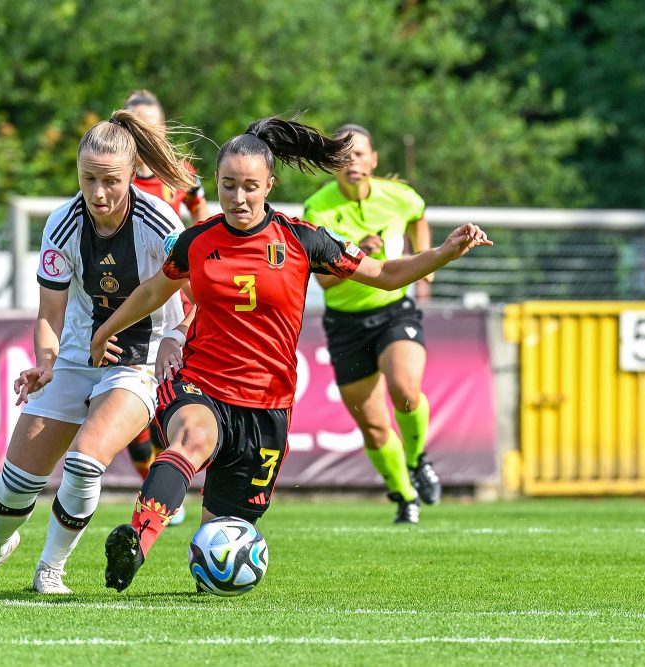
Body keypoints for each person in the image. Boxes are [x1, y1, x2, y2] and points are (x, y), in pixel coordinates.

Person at [91, 116, 492, 592]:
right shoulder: (197, 242)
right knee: (191, 439)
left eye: (250, 187)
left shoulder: (303, 240)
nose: (238, 199)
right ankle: (135, 542)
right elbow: (155, 290)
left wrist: (443, 253)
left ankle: (204, 569)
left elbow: (383, 273)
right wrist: (107, 330)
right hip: (202, 381)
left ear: (270, 185)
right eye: (227, 186)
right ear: (216, 183)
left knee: (221, 543)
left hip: (267, 404)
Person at [0, 108, 195, 594]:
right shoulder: (62, 223)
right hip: (76, 356)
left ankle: (50, 568)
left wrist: (176, 334)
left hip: (139, 360)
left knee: (87, 461)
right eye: (89, 179)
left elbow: (201, 293)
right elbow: (50, 312)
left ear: (131, 176)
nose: (99, 193)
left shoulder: (162, 223)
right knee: (17, 481)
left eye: (110, 180)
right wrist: (44, 362)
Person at [303, 123, 439, 524]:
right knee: (374, 425)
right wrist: (355, 254)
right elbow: (324, 280)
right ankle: (404, 495)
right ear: (333, 166)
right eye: (343, 156)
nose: (353, 162)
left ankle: (417, 460)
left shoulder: (398, 197)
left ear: (374, 160)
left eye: (360, 154)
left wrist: (426, 261)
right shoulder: (318, 211)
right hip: (345, 322)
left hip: (394, 310)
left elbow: (419, 215)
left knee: (405, 390)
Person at [120, 91, 206, 525]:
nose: (145, 134)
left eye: (152, 125)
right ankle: (154, 487)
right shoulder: (112, 180)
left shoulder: (183, 175)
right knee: (129, 418)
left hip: (175, 299)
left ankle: (170, 486)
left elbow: (202, 218)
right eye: (137, 126)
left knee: (168, 398)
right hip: (131, 302)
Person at [124, 89, 210, 226]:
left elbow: (199, 209)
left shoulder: (180, 172)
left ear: (164, 130)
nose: (143, 135)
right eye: (136, 128)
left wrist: (194, 243)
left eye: (151, 128)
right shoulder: (114, 177)